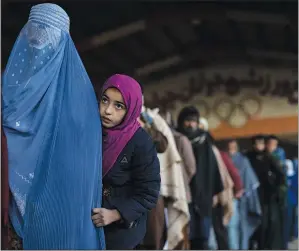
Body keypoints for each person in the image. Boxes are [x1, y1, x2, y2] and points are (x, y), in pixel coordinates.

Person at [2, 3, 105, 249]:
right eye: (33, 33)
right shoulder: (8, 88)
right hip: (7, 214)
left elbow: (80, 172)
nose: (38, 43)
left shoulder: (79, 101)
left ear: (62, 45)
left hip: (58, 215)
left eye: (46, 36)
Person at [91, 74, 161, 250]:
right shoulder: (90, 132)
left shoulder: (140, 142)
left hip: (120, 233)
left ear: (132, 109)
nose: (107, 110)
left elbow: (148, 193)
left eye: (119, 106)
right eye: (104, 100)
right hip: (87, 227)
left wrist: (116, 214)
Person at [177, 106, 223, 250]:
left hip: (204, 195)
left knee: (203, 236)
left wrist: (216, 192)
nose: (191, 124)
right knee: (185, 236)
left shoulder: (205, 140)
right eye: (187, 121)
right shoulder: (177, 140)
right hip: (184, 194)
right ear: (181, 122)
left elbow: (214, 168)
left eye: (194, 121)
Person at [246, 135, 286, 249]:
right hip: (254, 195)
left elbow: (280, 175)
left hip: (268, 196)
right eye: (257, 143)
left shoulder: (269, 158)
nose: (259, 146)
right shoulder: (249, 158)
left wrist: (275, 188)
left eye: (261, 143)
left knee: (268, 224)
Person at [227, 139, 262, 250]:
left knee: (237, 228)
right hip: (229, 198)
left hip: (241, 200)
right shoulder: (224, 159)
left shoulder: (243, 160)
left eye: (233, 147)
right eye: (229, 147)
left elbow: (250, 182)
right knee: (231, 228)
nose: (231, 150)